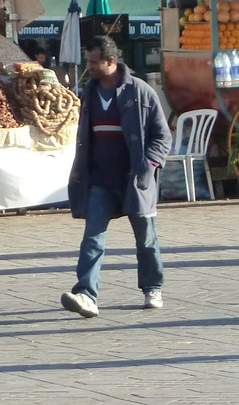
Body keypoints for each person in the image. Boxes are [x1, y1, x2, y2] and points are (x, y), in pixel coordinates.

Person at [61, 36, 171, 318]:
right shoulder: (88, 93)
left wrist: (149, 165)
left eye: (94, 61)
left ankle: (152, 286)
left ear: (111, 61)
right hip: (99, 179)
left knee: (146, 239)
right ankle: (86, 294)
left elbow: (162, 136)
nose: (89, 67)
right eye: (88, 61)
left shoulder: (141, 92)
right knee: (92, 238)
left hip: (135, 179)